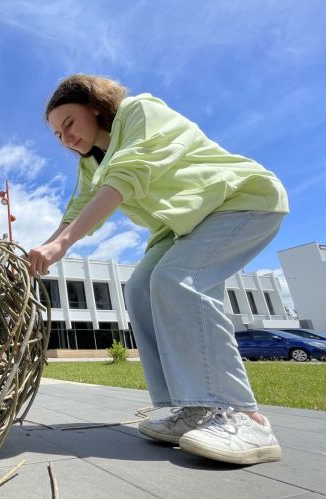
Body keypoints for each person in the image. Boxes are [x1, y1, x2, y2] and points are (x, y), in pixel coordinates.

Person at [29, 75, 289, 465]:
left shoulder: (139, 111)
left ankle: (245, 418)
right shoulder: (90, 164)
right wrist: (47, 249)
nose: (65, 138)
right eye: (56, 134)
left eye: (68, 123)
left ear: (95, 107)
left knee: (177, 280)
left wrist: (62, 245)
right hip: (183, 225)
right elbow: (76, 211)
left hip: (238, 201)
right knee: (139, 289)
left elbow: (129, 174)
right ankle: (194, 409)